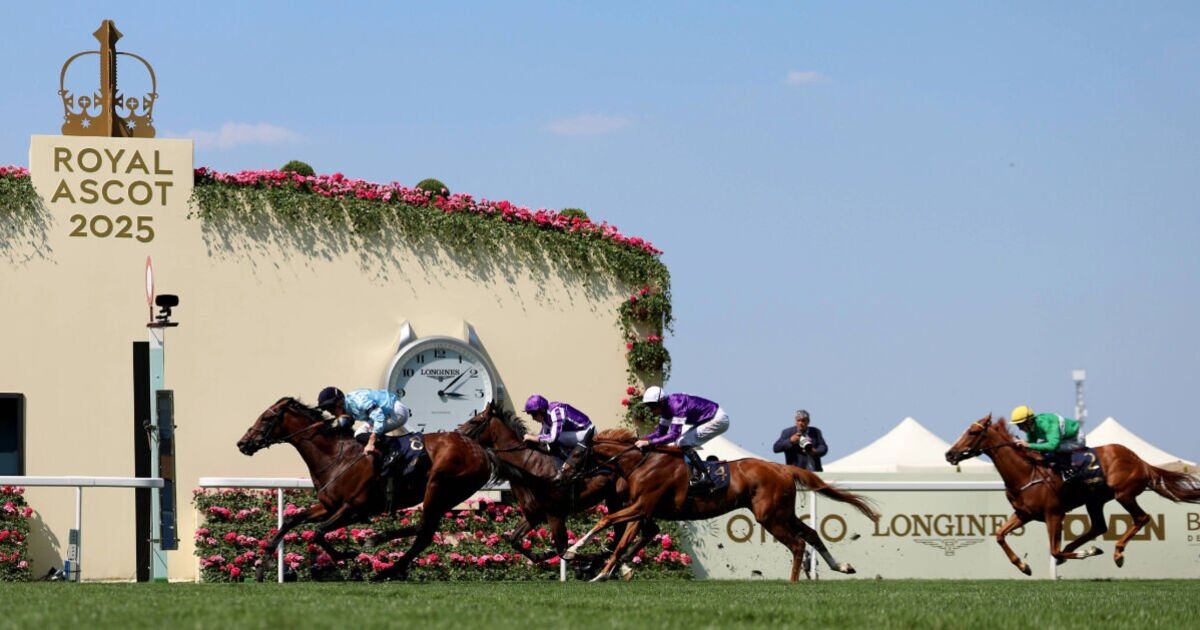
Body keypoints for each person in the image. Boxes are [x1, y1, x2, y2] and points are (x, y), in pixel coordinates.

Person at [634, 386, 730, 489]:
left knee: (682, 441)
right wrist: (643, 439)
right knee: (678, 443)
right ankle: (692, 473)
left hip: (717, 419)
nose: (650, 410)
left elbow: (674, 435)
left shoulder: (677, 405)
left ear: (661, 402)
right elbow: (660, 433)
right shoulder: (665, 409)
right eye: (648, 406)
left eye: (652, 406)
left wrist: (649, 443)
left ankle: (704, 476)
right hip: (706, 419)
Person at [316, 387, 411, 457]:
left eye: (330, 409)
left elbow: (379, 418)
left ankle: (394, 451)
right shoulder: (347, 406)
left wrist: (370, 443)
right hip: (387, 413)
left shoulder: (359, 401)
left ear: (339, 403)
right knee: (359, 433)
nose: (331, 413)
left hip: (396, 413)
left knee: (360, 434)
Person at [521, 394, 595, 483]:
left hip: (587, 432)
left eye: (533, 414)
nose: (533, 418)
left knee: (555, 439)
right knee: (549, 440)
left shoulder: (556, 411)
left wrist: (533, 437)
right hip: (576, 434)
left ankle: (567, 467)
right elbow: (543, 436)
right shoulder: (545, 417)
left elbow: (552, 438)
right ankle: (561, 468)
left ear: (542, 410)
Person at [1010, 405, 1086, 482]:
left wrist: (1028, 445)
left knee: (1049, 450)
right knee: (1039, 449)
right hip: (1062, 440)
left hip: (1076, 440)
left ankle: (1068, 475)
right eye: (1018, 425)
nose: (1019, 429)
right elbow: (1031, 445)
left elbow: (1053, 445)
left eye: (1020, 425)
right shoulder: (1032, 429)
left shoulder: (1046, 424)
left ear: (1029, 421)